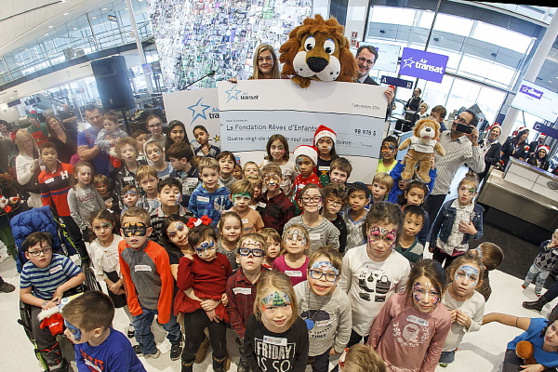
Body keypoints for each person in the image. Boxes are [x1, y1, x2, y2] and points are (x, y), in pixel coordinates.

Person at [339, 202, 410, 347]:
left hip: (381, 325)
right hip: (352, 321)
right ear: (367, 229)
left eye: (388, 239)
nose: (380, 245)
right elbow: (342, 289)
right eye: (376, 236)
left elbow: (400, 300)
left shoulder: (402, 265)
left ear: (397, 236)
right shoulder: (352, 256)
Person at [118, 207, 183, 360]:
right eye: (128, 231)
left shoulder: (159, 253)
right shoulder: (122, 247)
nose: (133, 235)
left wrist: (164, 309)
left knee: (170, 326)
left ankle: (176, 341)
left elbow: (167, 284)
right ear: (122, 233)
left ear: (148, 232)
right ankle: (148, 348)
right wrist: (132, 301)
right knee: (140, 329)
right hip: (140, 301)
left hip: (162, 302)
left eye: (138, 230)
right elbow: (126, 275)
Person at [367, 259, 451, 372]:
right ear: (410, 287)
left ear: (443, 291)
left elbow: (436, 349)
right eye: (419, 291)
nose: (426, 300)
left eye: (433, 292)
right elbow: (377, 329)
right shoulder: (396, 301)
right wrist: (369, 355)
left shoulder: (442, 317)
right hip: (381, 362)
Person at [19, 231, 85, 371]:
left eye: (45, 250)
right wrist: (43, 303)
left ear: (51, 249)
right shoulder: (27, 269)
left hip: (66, 295)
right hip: (42, 300)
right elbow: (24, 295)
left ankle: (83, 346)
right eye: (35, 252)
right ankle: (54, 360)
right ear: (27, 255)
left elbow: (80, 276)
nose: (42, 255)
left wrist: (62, 288)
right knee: (39, 326)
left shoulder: (60, 260)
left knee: (77, 319)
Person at [176, 224, 232, 372]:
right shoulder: (191, 262)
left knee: (219, 342)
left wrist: (223, 297)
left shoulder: (223, 260)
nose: (206, 253)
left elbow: (228, 280)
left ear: (216, 241)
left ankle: (218, 366)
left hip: (217, 304)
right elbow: (183, 285)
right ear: (194, 249)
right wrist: (185, 261)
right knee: (191, 343)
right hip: (195, 304)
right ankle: (186, 367)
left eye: (210, 247)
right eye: (200, 250)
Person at [294, 247, 352, 372]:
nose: (323, 279)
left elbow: (345, 326)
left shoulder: (341, 299)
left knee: (320, 369)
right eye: (317, 272)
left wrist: (339, 347)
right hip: (298, 347)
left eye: (331, 275)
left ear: (338, 279)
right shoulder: (297, 292)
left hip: (323, 348)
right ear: (307, 273)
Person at [61, 290, 146, 372]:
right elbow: (80, 361)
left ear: (97, 332)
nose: (65, 332)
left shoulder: (118, 349)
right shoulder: (82, 339)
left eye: (73, 330)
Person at [244, 270, 309, 372]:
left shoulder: (299, 327)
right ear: (259, 306)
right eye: (271, 308)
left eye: (285, 305)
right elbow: (249, 351)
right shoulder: (253, 323)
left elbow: (302, 359)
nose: (279, 315)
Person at [425, 109, 485, 221]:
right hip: (419, 185)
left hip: (437, 192)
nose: (456, 121)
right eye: (457, 118)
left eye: (462, 121)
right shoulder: (441, 134)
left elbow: (479, 168)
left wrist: (475, 143)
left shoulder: (467, 146)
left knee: (423, 228)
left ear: (470, 127)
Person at [38, 141, 88, 261]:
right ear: (41, 157)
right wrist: (48, 214)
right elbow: (45, 197)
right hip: (64, 211)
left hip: (80, 207)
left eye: (52, 153)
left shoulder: (69, 168)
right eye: (46, 154)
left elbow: (80, 186)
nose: (50, 156)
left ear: (57, 154)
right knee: (75, 235)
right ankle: (84, 258)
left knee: (88, 231)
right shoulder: (42, 177)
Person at [226, 233, 268, 372]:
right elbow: (232, 308)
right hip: (243, 327)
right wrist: (241, 331)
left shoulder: (271, 279)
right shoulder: (232, 281)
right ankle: (245, 359)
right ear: (238, 258)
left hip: (267, 327)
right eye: (245, 251)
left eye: (256, 252)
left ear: (263, 258)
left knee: (264, 349)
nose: (250, 255)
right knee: (245, 347)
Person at [87, 209, 133, 336]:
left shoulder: (120, 242)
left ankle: (140, 321)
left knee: (133, 300)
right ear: (92, 228)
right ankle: (132, 321)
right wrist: (111, 285)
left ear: (112, 225)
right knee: (122, 303)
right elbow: (98, 268)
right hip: (110, 279)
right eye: (97, 227)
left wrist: (119, 283)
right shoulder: (93, 245)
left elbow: (128, 265)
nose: (102, 231)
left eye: (105, 226)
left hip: (125, 277)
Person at [439, 250, 486, 367]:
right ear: (452, 274)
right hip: (428, 342)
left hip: (450, 347)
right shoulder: (441, 292)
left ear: (478, 283)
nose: (464, 282)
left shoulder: (478, 301)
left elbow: (477, 325)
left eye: (472, 278)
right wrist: (442, 317)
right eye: (461, 274)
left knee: (445, 360)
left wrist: (468, 322)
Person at [429, 173, 484, 268]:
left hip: (459, 251)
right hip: (442, 247)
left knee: (449, 275)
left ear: (475, 194)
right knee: (434, 270)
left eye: (470, 191)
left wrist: (473, 232)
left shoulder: (477, 212)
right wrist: (432, 242)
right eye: (462, 189)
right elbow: (437, 225)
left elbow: (480, 233)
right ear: (458, 189)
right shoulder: (448, 206)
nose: (465, 193)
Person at [482, 312, 558, 371]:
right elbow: (496, 316)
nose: (550, 335)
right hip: (517, 351)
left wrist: (542, 367)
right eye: (553, 327)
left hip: (542, 364)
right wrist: (473, 324)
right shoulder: (540, 326)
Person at [285, 183, 340, 253]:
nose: (311, 201)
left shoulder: (330, 228)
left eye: (316, 198)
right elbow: (285, 249)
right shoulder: (291, 224)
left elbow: (334, 255)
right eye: (306, 198)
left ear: (323, 202)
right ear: (300, 202)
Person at [188, 157, 232, 226]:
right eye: (205, 175)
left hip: (220, 231)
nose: (210, 179)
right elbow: (192, 213)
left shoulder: (226, 194)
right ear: (200, 176)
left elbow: (230, 214)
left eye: (213, 175)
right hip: (202, 231)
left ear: (219, 174)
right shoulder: (196, 193)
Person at [67, 162, 106, 240]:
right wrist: (83, 227)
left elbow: (101, 202)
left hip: (100, 221)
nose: (86, 176)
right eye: (83, 174)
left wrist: (105, 216)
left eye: (89, 174)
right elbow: (73, 212)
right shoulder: (73, 192)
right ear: (75, 176)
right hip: (88, 227)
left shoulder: (92, 187)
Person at [149, 177, 192, 244]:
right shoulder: (152, 218)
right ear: (159, 196)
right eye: (167, 192)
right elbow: (152, 243)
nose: (172, 195)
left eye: (176, 192)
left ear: (180, 197)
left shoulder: (189, 216)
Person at [258, 164, 295, 235]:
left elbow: (289, 229)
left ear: (281, 179)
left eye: (275, 178)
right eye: (267, 179)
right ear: (262, 181)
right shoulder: (260, 198)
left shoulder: (287, 205)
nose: (271, 182)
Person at [522, 229, 558, 297]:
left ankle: (538, 290)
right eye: (555, 237)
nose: (555, 240)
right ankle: (526, 284)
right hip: (537, 264)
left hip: (547, 269)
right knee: (530, 274)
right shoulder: (547, 242)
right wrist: (548, 247)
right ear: (552, 235)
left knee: (541, 280)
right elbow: (541, 249)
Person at [77, 105, 110, 176]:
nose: (95, 120)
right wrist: (101, 144)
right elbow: (82, 156)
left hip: (118, 171)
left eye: (97, 117)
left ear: (102, 115)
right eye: (91, 118)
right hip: (97, 176)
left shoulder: (114, 129)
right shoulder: (84, 134)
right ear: (87, 120)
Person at [113, 137, 147, 207]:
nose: (128, 153)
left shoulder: (146, 167)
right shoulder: (120, 175)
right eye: (124, 152)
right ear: (121, 155)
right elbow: (121, 196)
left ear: (136, 152)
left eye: (131, 150)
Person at [15, 129, 42, 208]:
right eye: (25, 142)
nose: (28, 143)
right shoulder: (20, 159)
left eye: (29, 140)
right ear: (20, 144)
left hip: (51, 189)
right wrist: (32, 170)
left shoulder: (40, 151)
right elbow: (21, 181)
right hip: (37, 196)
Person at [398, 181, 431, 246]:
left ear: (423, 199)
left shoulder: (425, 215)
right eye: (412, 195)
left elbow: (423, 236)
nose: (415, 199)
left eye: (420, 197)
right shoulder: (396, 210)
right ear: (406, 194)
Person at [168, 141, 199, 208]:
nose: (171, 164)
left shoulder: (198, 175)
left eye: (173, 160)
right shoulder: (173, 175)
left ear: (183, 160)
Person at [343, 182, 370, 251]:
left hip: (363, 254)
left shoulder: (370, 217)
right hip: (346, 254)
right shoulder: (343, 215)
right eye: (353, 197)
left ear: (367, 201)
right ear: (348, 198)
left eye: (361, 198)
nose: (356, 201)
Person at [322, 183, 347, 254]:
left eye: (338, 202)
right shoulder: (316, 215)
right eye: (331, 200)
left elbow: (341, 248)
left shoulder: (340, 225)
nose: (334, 205)